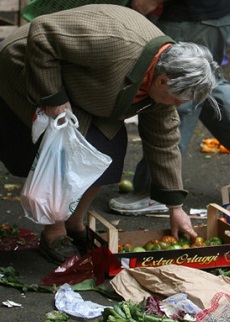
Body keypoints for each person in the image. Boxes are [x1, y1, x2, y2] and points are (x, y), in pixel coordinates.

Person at [0, 4, 220, 264]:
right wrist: (53, 97)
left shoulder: (163, 78)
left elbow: (164, 141)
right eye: (176, 99)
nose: (176, 107)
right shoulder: (115, 43)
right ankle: (54, 233)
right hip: (28, 64)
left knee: (111, 148)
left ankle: (73, 221)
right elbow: (41, 33)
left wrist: (175, 208)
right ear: (162, 81)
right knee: (73, 147)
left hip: (83, 86)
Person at [109, 0, 230, 216]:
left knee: (177, 98)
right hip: (212, 15)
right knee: (207, 85)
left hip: (189, 16)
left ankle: (154, 192)